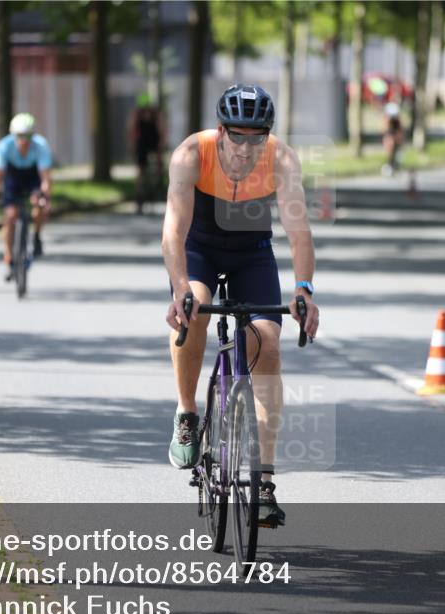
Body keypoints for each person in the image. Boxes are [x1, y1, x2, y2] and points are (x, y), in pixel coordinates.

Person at [161, 84, 321, 527]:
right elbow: (174, 230)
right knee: (193, 315)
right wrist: (179, 290)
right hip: (200, 251)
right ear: (221, 131)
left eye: (258, 137)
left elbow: (299, 232)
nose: (247, 148)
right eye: (238, 136)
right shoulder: (192, 154)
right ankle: (187, 413)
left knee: (269, 345)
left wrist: (304, 289)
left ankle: (264, 483)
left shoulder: (282, 160)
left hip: (253, 252)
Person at [0, 113, 53, 281]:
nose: (24, 140)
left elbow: (45, 178)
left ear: (33, 135)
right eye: (19, 136)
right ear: (13, 135)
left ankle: (37, 235)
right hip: (13, 178)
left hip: (32, 177)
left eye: (28, 136)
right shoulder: (4, 147)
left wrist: (46, 197)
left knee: (39, 204)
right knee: (10, 216)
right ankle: (9, 258)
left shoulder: (41, 146)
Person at [127, 93, 167, 214]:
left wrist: (160, 148)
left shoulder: (157, 115)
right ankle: (139, 195)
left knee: (159, 164)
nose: (146, 113)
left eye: (148, 110)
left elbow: (162, 132)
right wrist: (132, 147)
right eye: (144, 110)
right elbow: (131, 131)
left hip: (154, 141)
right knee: (140, 169)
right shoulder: (136, 115)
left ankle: (160, 182)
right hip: (142, 143)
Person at [381, 102, 404, 177]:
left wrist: (399, 140)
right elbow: (385, 130)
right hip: (389, 134)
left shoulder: (397, 122)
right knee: (390, 150)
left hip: (394, 134)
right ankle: (389, 165)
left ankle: (395, 165)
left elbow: (400, 131)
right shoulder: (387, 121)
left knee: (396, 151)